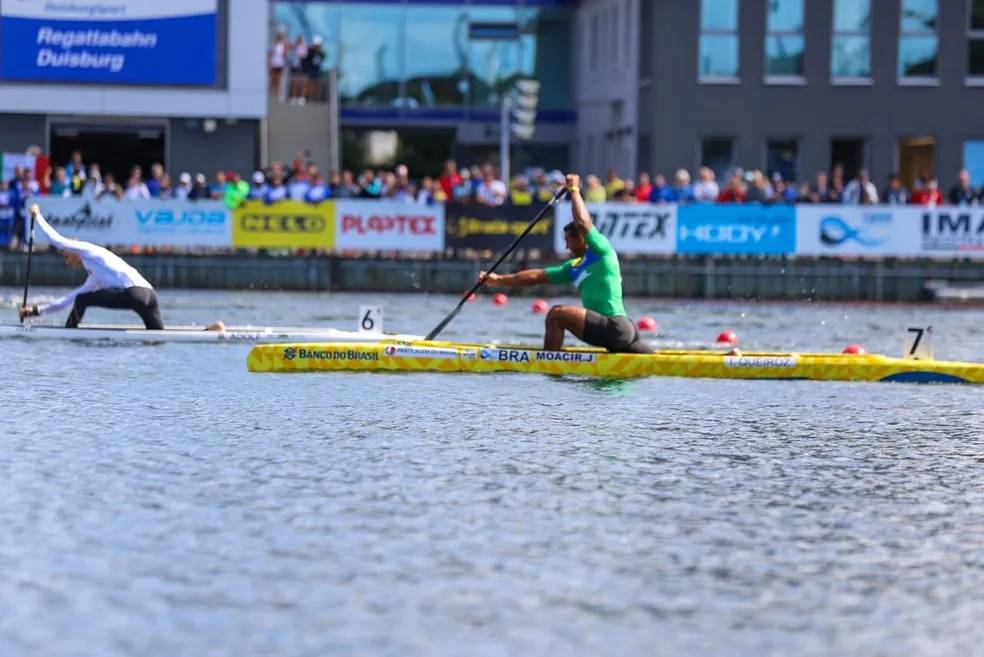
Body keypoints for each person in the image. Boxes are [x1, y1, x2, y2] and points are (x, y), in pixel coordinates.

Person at [479, 174, 652, 354]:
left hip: (615, 326)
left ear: (582, 240)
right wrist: (498, 279)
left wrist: (574, 191)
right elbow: (536, 276)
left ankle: (548, 363)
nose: (566, 245)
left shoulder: (602, 251)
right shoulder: (573, 268)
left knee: (556, 314)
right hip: (618, 332)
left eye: (568, 240)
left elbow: (583, 223)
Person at [18, 204, 164, 329]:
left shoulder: (88, 250)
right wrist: (34, 311)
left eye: (66, 256)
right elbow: (66, 301)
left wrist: (37, 216)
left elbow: (56, 240)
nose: (66, 262)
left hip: (134, 293)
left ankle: (69, 335)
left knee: (83, 299)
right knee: (157, 338)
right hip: (150, 295)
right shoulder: (94, 277)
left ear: (74, 251)